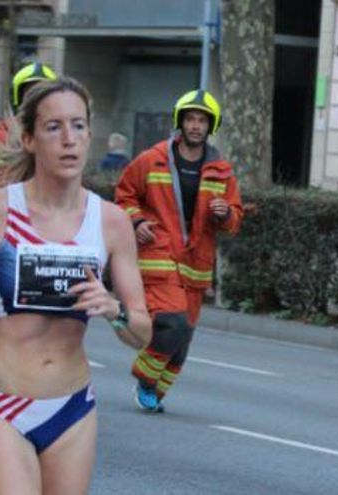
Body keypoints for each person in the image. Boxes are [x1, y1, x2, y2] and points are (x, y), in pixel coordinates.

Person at [0, 77, 151, 494]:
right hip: (4, 405)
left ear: (90, 135)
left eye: (78, 126)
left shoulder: (111, 221)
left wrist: (113, 309)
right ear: (28, 138)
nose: (68, 140)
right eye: (53, 127)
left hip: (73, 408)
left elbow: (141, 333)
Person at [115, 89, 243, 413]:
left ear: (210, 125)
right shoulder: (152, 159)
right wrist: (137, 221)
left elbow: (234, 219)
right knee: (174, 323)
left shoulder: (222, 171)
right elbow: (124, 195)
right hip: (159, 254)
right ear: (180, 122)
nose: (195, 125)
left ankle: (156, 390)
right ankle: (145, 377)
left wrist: (225, 213)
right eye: (190, 119)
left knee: (183, 342)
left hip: (196, 264)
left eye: (202, 120)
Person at [0, 62, 58, 196]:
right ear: (18, 101)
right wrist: (3, 191)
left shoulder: (62, 140)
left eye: (44, 96)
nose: (37, 102)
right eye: (32, 96)